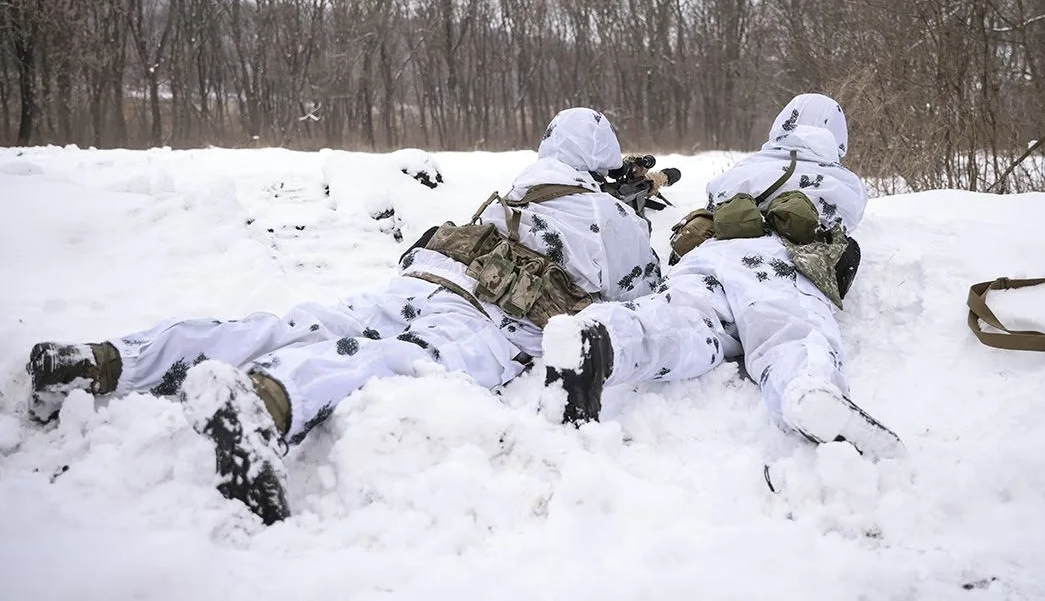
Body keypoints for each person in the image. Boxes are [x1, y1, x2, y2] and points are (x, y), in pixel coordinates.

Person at [26, 107, 662, 523]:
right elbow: (646, 296)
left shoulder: (527, 179)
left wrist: (616, 189)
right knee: (390, 361)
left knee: (290, 324)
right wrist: (632, 207)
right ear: (604, 162)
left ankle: (101, 361)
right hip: (485, 320)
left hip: (423, 280)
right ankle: (265, 403)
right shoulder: (610, 215)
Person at [540, 93, 904, 460]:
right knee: (791, 332)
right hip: (779, 265)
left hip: (713, 254)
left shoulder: (745, 168)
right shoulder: (845, 183)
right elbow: (847, 221)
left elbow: (715, 200)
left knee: (677, 316)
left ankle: (601, 340)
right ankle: (808, 391)